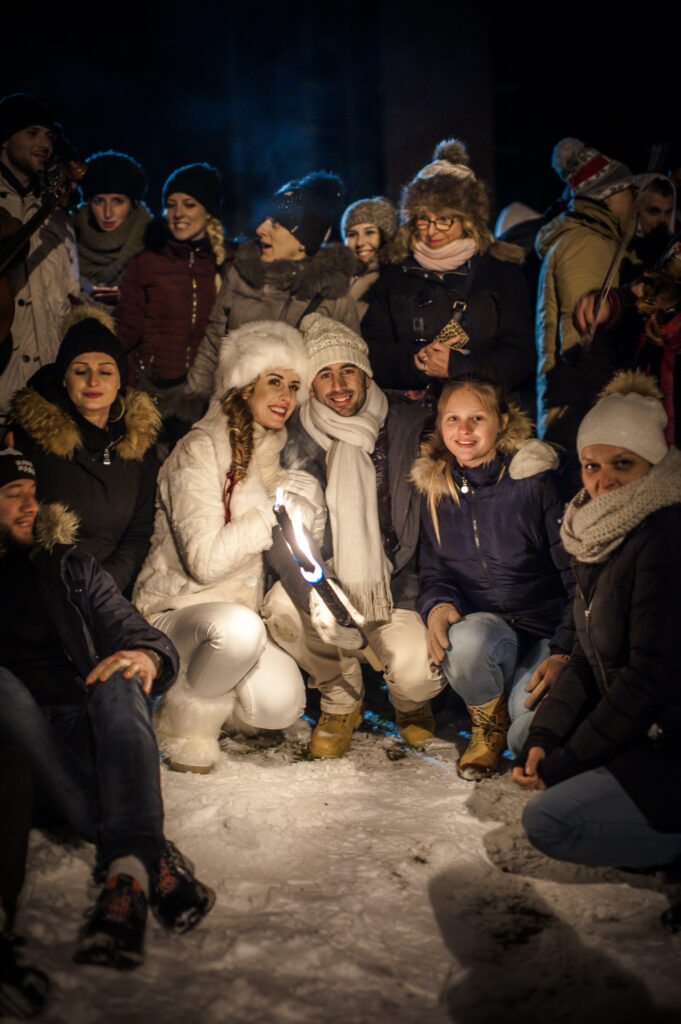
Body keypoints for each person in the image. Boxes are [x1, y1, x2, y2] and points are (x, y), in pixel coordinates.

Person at [0, 448, 215, 970]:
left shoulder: (70, 567)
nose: (30, 506)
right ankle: (147, 853)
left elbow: (138, 632)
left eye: (33, 494)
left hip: (85, 732)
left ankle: (126, 873)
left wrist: (144, 654)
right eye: (12, 496)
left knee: (120, 675)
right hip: (19, 750)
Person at [513, 372, 681, 885]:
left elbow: (650, 677)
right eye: (591, 465)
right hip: (639, 718)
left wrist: (568, 761)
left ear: (653, 464)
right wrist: (547, 738)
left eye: (622, 465)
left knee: (551, 822)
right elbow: (586, 655)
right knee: (528, 739)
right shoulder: (595, 529)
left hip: (668, 731)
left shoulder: (664, 535)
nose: (602, 482)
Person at [133, 320, 319, 773]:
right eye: (273, 381)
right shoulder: (199, 448)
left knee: (281, 705)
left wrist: (306, 507)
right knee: (238, 631)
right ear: (243, 384)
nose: (285, 397)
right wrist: (268, 515)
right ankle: (183, 726)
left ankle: (215, 686)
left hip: (239, 614)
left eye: (294, 386)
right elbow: (204, 562)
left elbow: (295, 548)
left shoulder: (273, 453)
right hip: (178, 608)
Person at [262, 314, 444, 758]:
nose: (338, 384)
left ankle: (409, 703)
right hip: (328, 582)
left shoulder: (410, 426)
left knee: (417, 672)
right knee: (281, 610)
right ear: (310, 386)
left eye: (348, 371)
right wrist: (319, 596)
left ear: (366, 375)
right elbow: (284, 534)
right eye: (324, 374)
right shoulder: (293, 438)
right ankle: (342, 700)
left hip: (396, 584)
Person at [411, 375, 574, 779]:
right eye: (453, 419)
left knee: (527, 731)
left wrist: (566, 650)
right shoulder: (436, 490)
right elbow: (436, 570)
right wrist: (439, 604)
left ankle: (515, 720)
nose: (463, 431)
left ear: (502, 421)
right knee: (462, 642)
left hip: (546, 630)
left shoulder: (531, 481)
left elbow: (577, 576)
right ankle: (487, 726)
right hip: (491, 629)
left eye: (476, 418)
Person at [361, 138, 535, 412]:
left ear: (468, 219)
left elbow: (521, 356)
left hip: (482, 418)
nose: (432, 230)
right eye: (423, 218)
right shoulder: (394, 273)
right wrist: (415, 362)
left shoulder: (501, 271)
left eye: (445, 219)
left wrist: (459, 367)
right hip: (411, 419)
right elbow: (372, 351)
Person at [5, 306, 160, 594]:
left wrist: (105, 584)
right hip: (44, 591)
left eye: (105, 371)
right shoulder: (30, 439)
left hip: (113, 592)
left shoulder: (139, 448)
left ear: (119, 381)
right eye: (80, 371)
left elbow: (140, 533)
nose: (93, 381)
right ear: (64, 379)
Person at [185, 170, 360, 402]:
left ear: (302, 241)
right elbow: (212, 345)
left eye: (275, 224)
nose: (260, 229)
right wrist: (193, 402)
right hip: (236, 415)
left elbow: (352, 368)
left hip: (300, 423)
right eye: (265, 220)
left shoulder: (332, 295)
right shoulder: (240, 276)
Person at [535, 137, 635, 446]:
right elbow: (587, 342)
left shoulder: (590, 238)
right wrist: (606, 410)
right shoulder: (588, 244)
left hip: (576, 408)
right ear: (609, 196)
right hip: (583, 413)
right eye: (626, 189)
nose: (633, 198)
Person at [115, 162, 227, 426]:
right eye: (171, 204)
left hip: (208, 397)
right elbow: (126, 330)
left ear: (208, 210)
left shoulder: (227, 262)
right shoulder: (147, 262)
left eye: (189, 204)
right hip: (153, 396)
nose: (178, 213)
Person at [0, 93, 79, 423]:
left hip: (47, 391)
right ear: (4, 139)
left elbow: (70, 297)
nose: (44, 143)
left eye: (49, 135)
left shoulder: (58, 218)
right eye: (32, 133)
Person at [71, 150, 151, 306]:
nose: (108, 213)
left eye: (118, 201)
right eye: (99, 201)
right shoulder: (67, 242)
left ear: (132, 204)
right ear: (88, 203)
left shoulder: (153, 247)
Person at [340, 196, 397, 320]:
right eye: (352, 234)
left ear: (386, 236)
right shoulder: (333, 277)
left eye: (369, 232)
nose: (360, 242)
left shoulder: (394, 280)